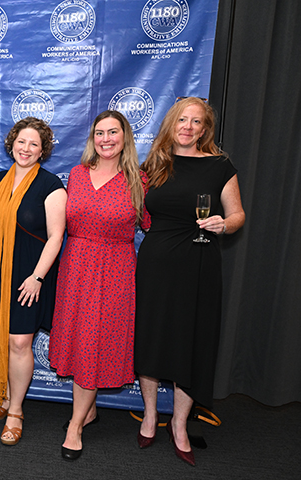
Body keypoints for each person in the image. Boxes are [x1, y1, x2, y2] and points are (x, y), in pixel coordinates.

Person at [135, 97, 245, 466]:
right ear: (172, 123)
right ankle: (150, 415)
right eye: (182, 119)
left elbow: (238, 215)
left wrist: (223, 225)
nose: (188, 127)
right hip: (156, 264)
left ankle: (179, 424)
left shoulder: (219, 166)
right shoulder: (153, 164)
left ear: (204, 129)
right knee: (151, 337)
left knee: (191, 341)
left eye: (196, 122)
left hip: (199, 264)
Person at [48, 111, 149, 461]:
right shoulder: (77, 174)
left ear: (125, 137)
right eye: (100, 133)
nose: (106, 139)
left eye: (113, 132)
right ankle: (88, 411)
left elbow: (154, 225)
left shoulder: (139, 180)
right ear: (93, 138)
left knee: (95, 344)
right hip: (75, 267)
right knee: (80, 342)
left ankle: (75, 426)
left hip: (115, 273)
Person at [0, 117, 67, 445]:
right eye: (21, 142)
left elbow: (56, 237)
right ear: (11, 143)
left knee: (19, 343)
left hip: (30, 276)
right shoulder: (0, 179)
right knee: (7, 339)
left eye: (34, 144)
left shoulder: (51, 185)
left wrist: (37, 277)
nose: (26, 149)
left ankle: (15, 411)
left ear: (43, 151)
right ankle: (6, 396)